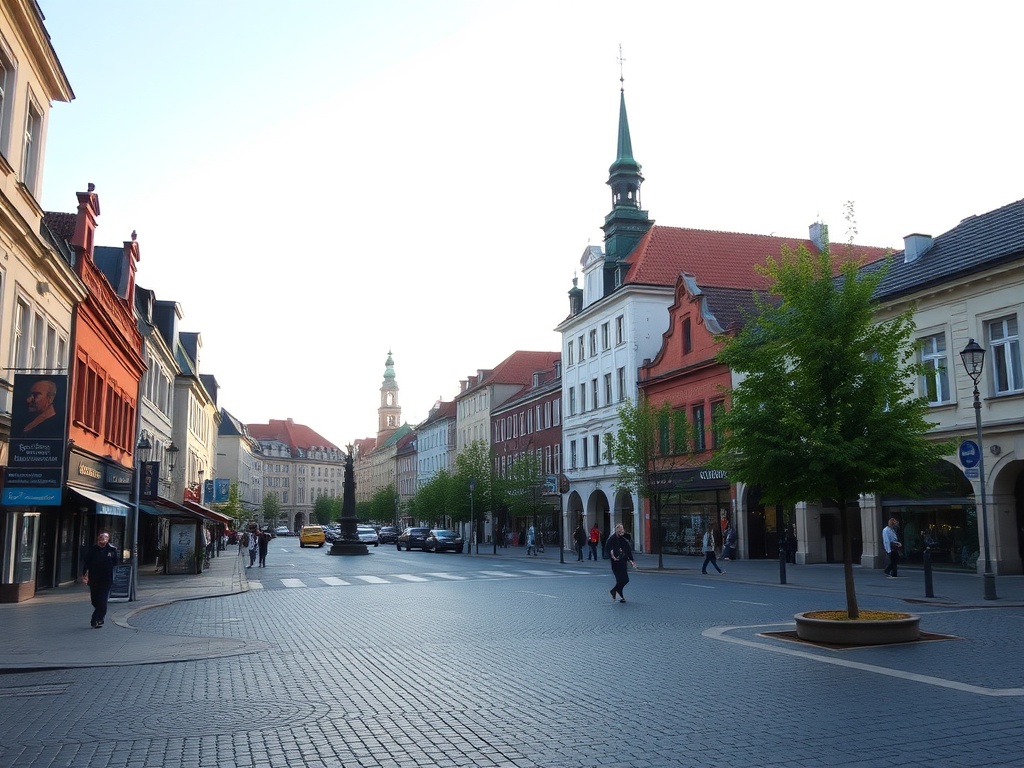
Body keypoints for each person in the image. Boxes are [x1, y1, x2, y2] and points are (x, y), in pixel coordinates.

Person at [81, 531, 120, 628]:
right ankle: (100, 617)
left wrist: (111, 559)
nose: (103, 539)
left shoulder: (111, 550)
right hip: (94, 579)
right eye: (101, 537)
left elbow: (116, 563)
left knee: (102, 601)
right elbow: (87, 562)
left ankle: (96, 619)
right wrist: (84, 574)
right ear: (98, 539)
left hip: (106, 579)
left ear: (108, 539)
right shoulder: (93, 550)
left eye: (105, 538)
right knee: (95, 601)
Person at [606, 524, 635, 602]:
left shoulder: (623, 539)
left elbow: (628, 549)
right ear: (617, 530)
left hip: (623, 562)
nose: (622, 531)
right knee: (620, 580)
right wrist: (612, 556)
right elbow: (609, 549)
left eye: (622, 529)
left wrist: (631, 560)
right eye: (621, 529)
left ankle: (614, 590)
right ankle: (620, 595)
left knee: (625, 579)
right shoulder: (612, 539)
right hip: (616, 563)